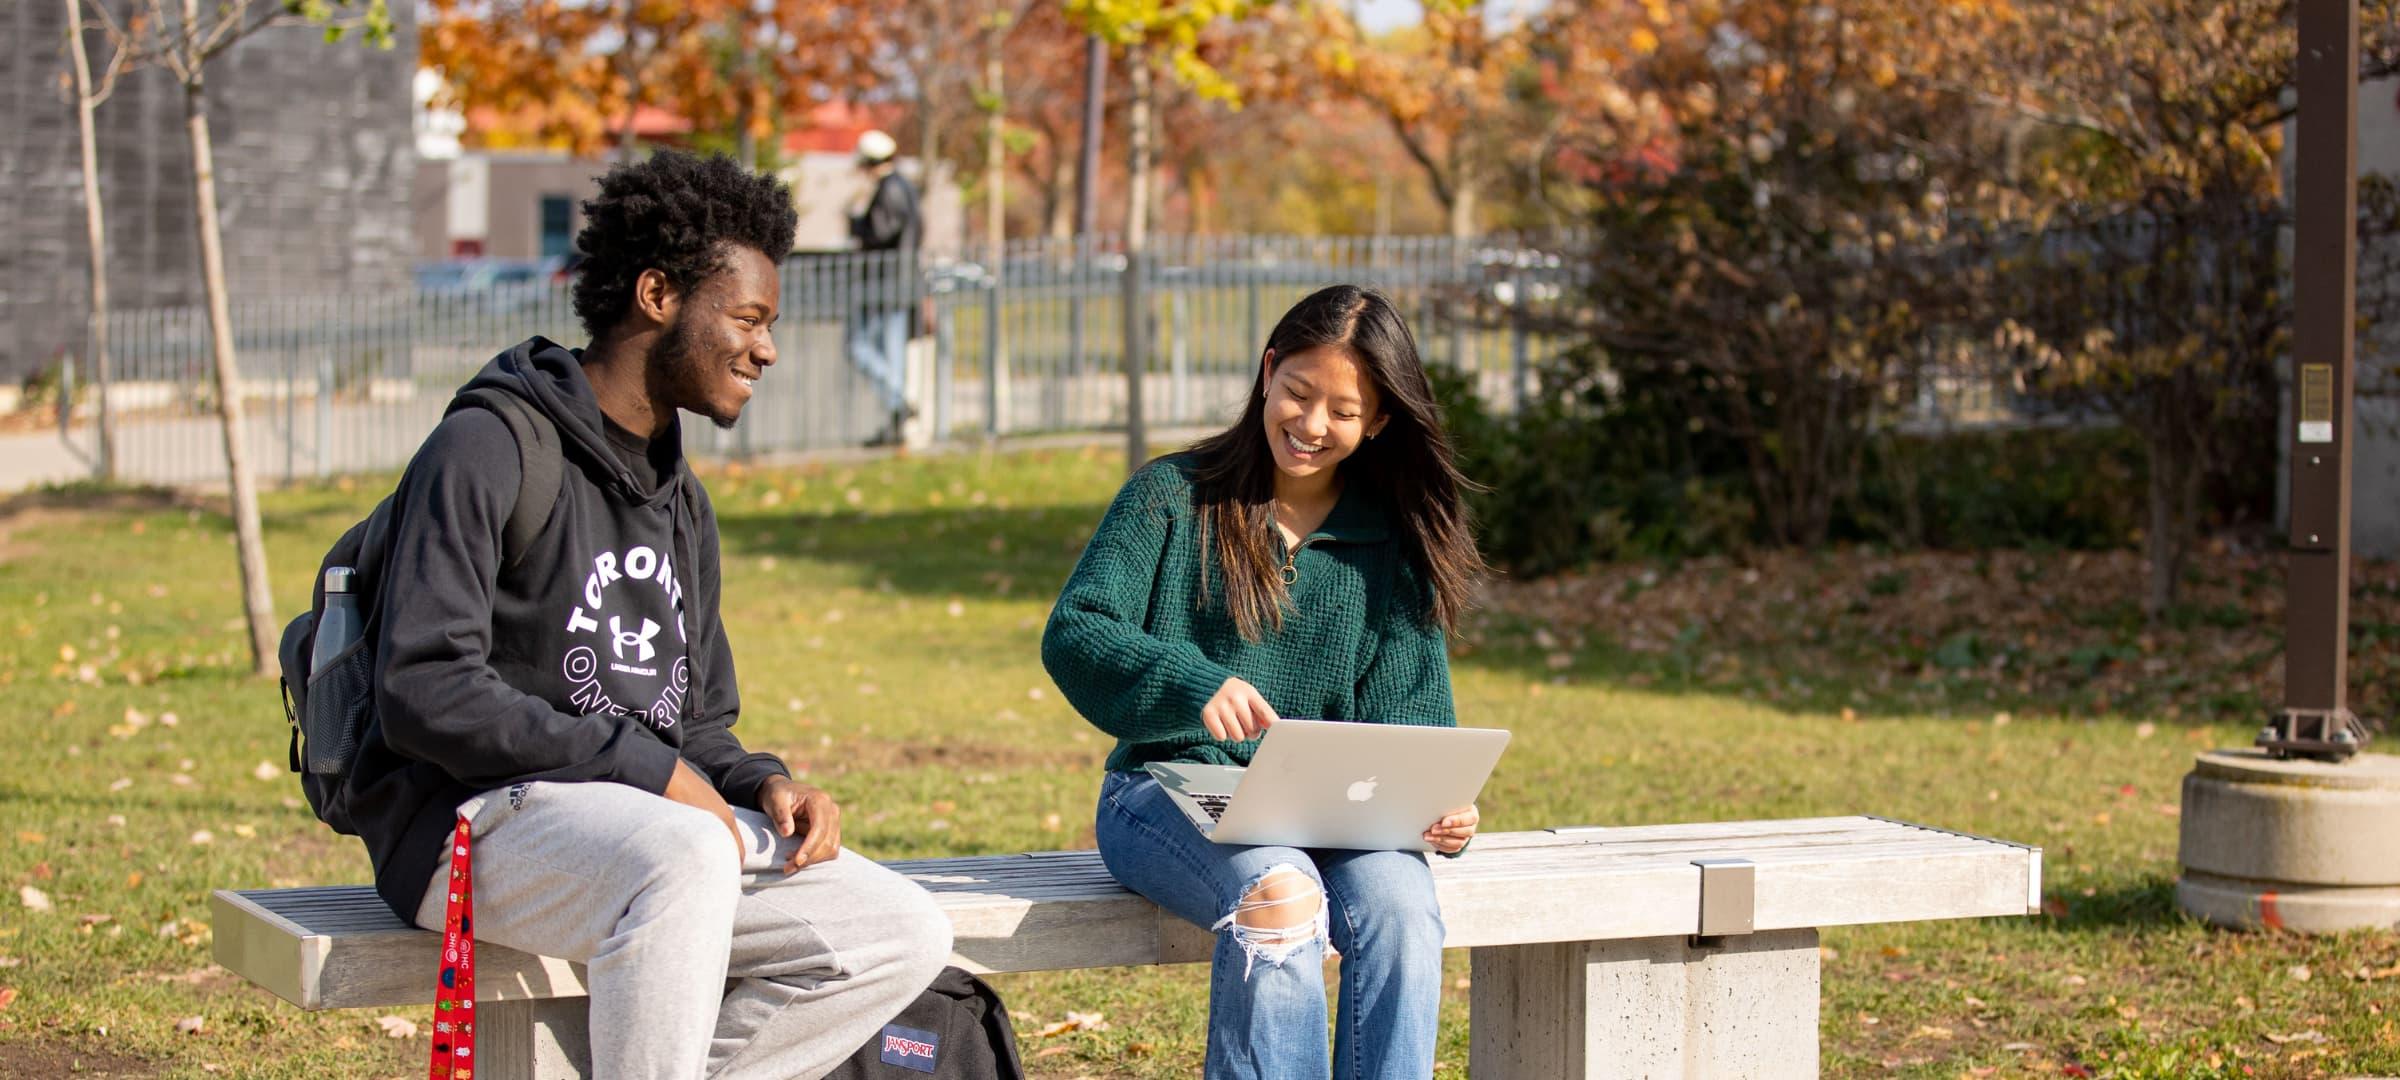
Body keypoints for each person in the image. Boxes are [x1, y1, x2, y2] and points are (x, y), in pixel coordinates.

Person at [345, 150, 951, 1080]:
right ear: (658, 294)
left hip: (642, 830)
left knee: (898, 928)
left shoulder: (681, 499)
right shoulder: (488, 447)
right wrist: (647, 768)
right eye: (747, 319)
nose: (767, 349)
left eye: (771, 324)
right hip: (469, 823)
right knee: (682, 855)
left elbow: (693, 721)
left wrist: (762, 785)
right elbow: (423, 690)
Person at [1040, 285, 1490, 1080]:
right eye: (1300, 393)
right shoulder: (1171, 498)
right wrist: (1188, 682)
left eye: (1343, 411)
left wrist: (1436, 807)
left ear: (1378, 421)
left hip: (1335, 818)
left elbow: (1412, 722)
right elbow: (1076, 633)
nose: (1313, 425)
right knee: (1280, 896)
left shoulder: (1391, 540)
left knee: (1403, 911)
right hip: (1165, 793)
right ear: (1268, 371)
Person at [845, 129, 920, 445]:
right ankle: (896, 421)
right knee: (889, 357)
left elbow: (879, 232)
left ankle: (899, 402)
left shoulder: (891, 190)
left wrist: (855, 219)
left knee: (860, 346)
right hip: (894, 284)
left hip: (887, 286)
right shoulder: (902, 187)